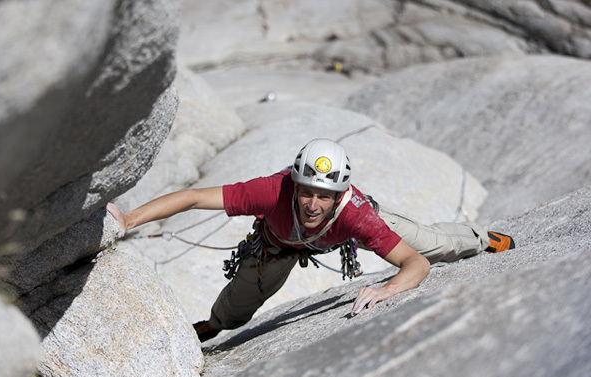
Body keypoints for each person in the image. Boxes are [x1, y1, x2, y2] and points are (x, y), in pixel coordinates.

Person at [107, 138, 514, 342]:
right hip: (278, 244)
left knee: (432, 243)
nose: (313, 203)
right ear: (295, 185)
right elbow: (195, 198)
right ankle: (210, 329)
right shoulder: (272, 191)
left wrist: (389, 289)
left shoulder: (356, 213)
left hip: (342, 235)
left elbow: (416, 263)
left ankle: (484, 240)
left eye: (324, 196)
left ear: (340, 195)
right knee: (234, 308)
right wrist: (128, 218)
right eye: (306, 192)